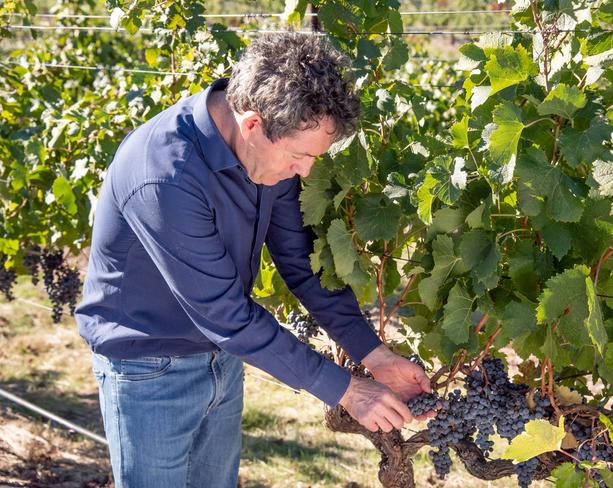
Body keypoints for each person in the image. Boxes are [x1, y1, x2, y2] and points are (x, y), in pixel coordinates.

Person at [75, 32, 432, 488]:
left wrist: (374, 354)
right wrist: (347, 389)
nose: (306, 172)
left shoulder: (270, 153)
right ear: (252, 125)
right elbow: (227, 315)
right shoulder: (164, 177)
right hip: (149, 371)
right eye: (301, 157)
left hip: (222, 358)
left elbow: (301, 264)